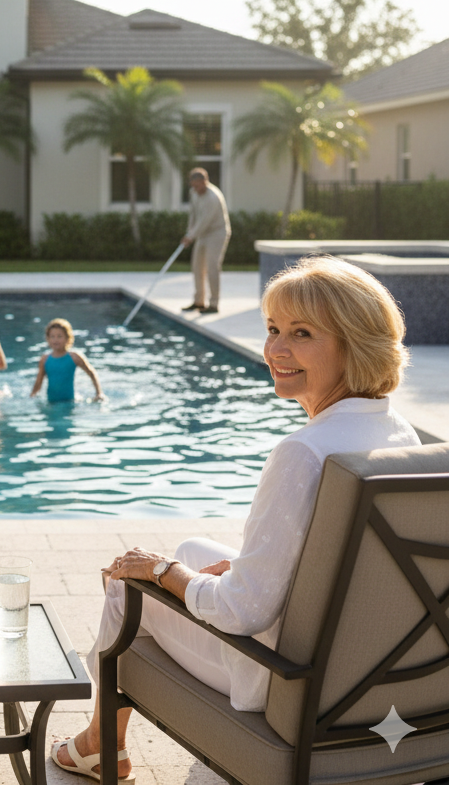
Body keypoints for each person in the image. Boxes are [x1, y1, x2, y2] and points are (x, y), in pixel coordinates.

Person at [52, 255, 418, 782]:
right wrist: (209, 570)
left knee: (128, 584)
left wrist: (163, 575)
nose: (276, 349)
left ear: (354, 343)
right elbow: (345, 564)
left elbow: (243, 613)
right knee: (197, 548)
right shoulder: (397, 435)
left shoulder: (305, 454)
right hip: (364, 667)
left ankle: (98, 742)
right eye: (272, 329)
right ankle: (100, 736)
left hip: (286, 679)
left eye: (301, 333)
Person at [181, 167, 230, 315]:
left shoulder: (213, 197)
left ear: (205, 182)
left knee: (212, 267)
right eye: (193, 186)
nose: (195, 188)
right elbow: (193, 215)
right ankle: (199, 301)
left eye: (198, 185)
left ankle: (213, 304)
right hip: (202, 234)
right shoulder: (194, 193)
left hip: (216, 233)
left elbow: (205, 221)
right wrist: (189, 232)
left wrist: (191, 236)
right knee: (197, 266)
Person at [30, 318, 104, 402]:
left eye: (59, 336)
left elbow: (91, 373)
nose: (56, 340)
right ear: (48, 339)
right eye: (52, 336)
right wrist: (32, 396)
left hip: (71, 401)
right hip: (52, 402)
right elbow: (38, 382)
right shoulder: (45, 359)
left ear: (68, 337)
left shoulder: (74, 357)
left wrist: (99, 393)